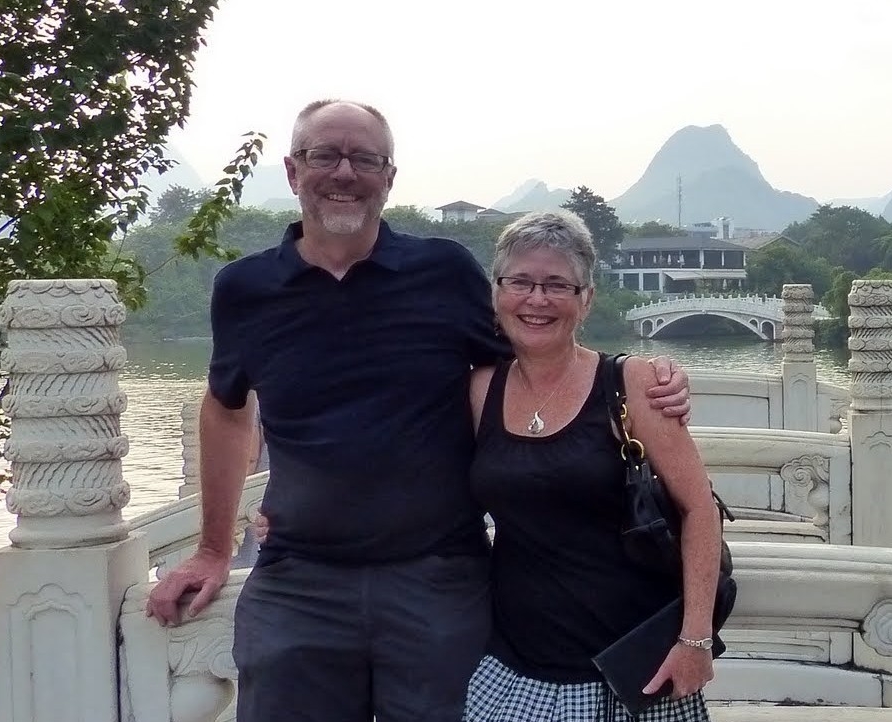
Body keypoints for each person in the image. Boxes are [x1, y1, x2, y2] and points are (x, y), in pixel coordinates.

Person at [144, 99, 692, 722]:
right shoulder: (245, 289)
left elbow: (535, 353)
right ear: (294, 172)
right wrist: (215, 547)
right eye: (325, 155)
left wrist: (636, 378)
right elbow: (226, 409)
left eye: (365, 159)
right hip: (300, 579)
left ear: (390, 177)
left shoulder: (443, 272)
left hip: (437, 578)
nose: (345, 172)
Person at [463, 209, 721, 721]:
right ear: (497, 291)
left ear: (586, 299)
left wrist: (696, 639)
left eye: (558, 285)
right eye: (520, 282)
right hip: (513, 663)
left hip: (632, 668)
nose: (537, 300)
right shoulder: (479, 389)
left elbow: (699, 510)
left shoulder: (633, 384)